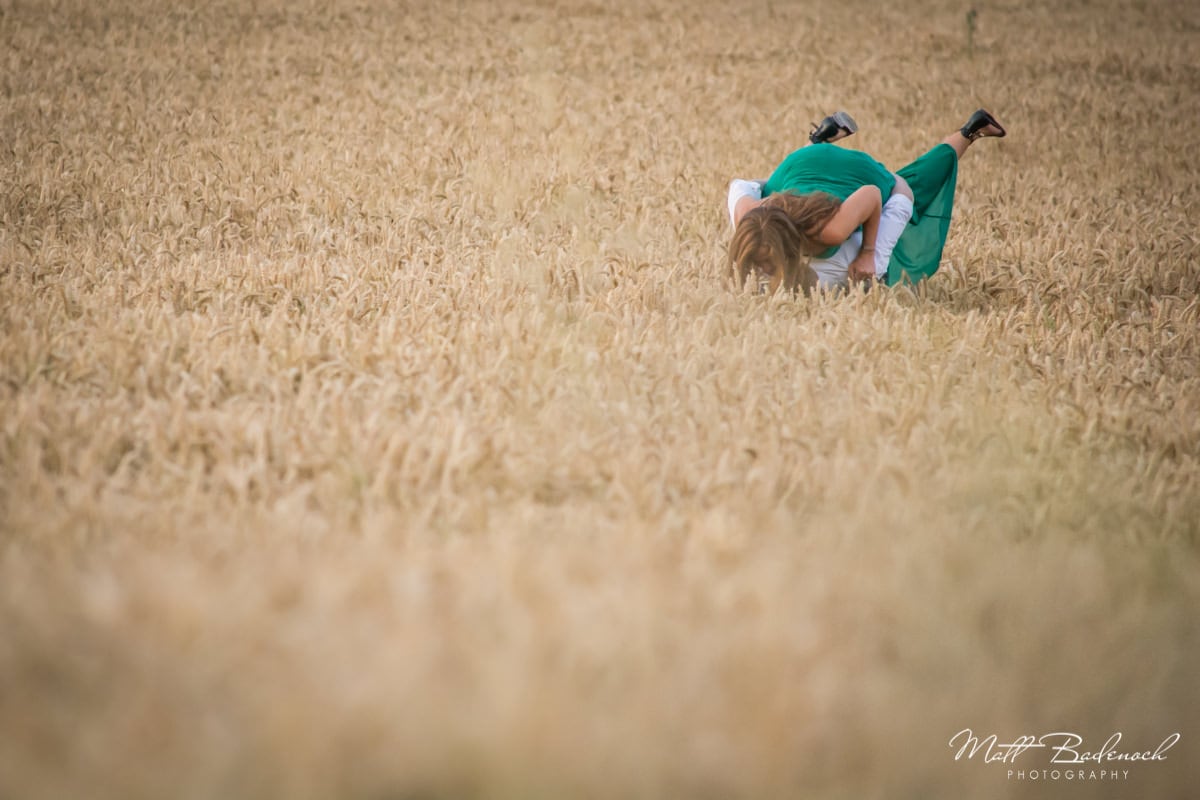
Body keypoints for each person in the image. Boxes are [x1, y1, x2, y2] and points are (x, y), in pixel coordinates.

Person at [726, 109, 1006, 294]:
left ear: (789, 245)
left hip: (863, 176)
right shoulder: (748, 217)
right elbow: (739, 186)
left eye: (766, 262)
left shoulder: (830, 230)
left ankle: (969, 132)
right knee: (762, 186)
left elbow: (871, 194)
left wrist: (868, 253)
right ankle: (819, 141)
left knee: (913, 188)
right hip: (802, 164)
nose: (763, 270)